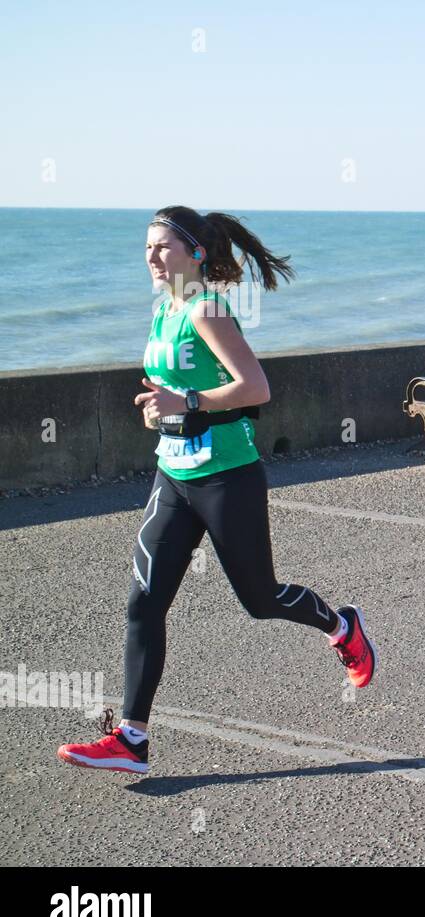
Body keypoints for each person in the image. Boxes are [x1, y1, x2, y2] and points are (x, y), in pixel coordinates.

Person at [57, 206, 376, 774]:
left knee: (260, 599)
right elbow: (177, 385)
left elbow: (255, 387)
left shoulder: (205, 309)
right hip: (173, 476)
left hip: (227, 476)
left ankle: (342, 625)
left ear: (195, 254)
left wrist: (192, 404)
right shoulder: (166, 310)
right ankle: (132, 738)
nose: (151, 257)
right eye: (147, 248)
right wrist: (161, 406)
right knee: (144, 603)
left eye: (162, 247)